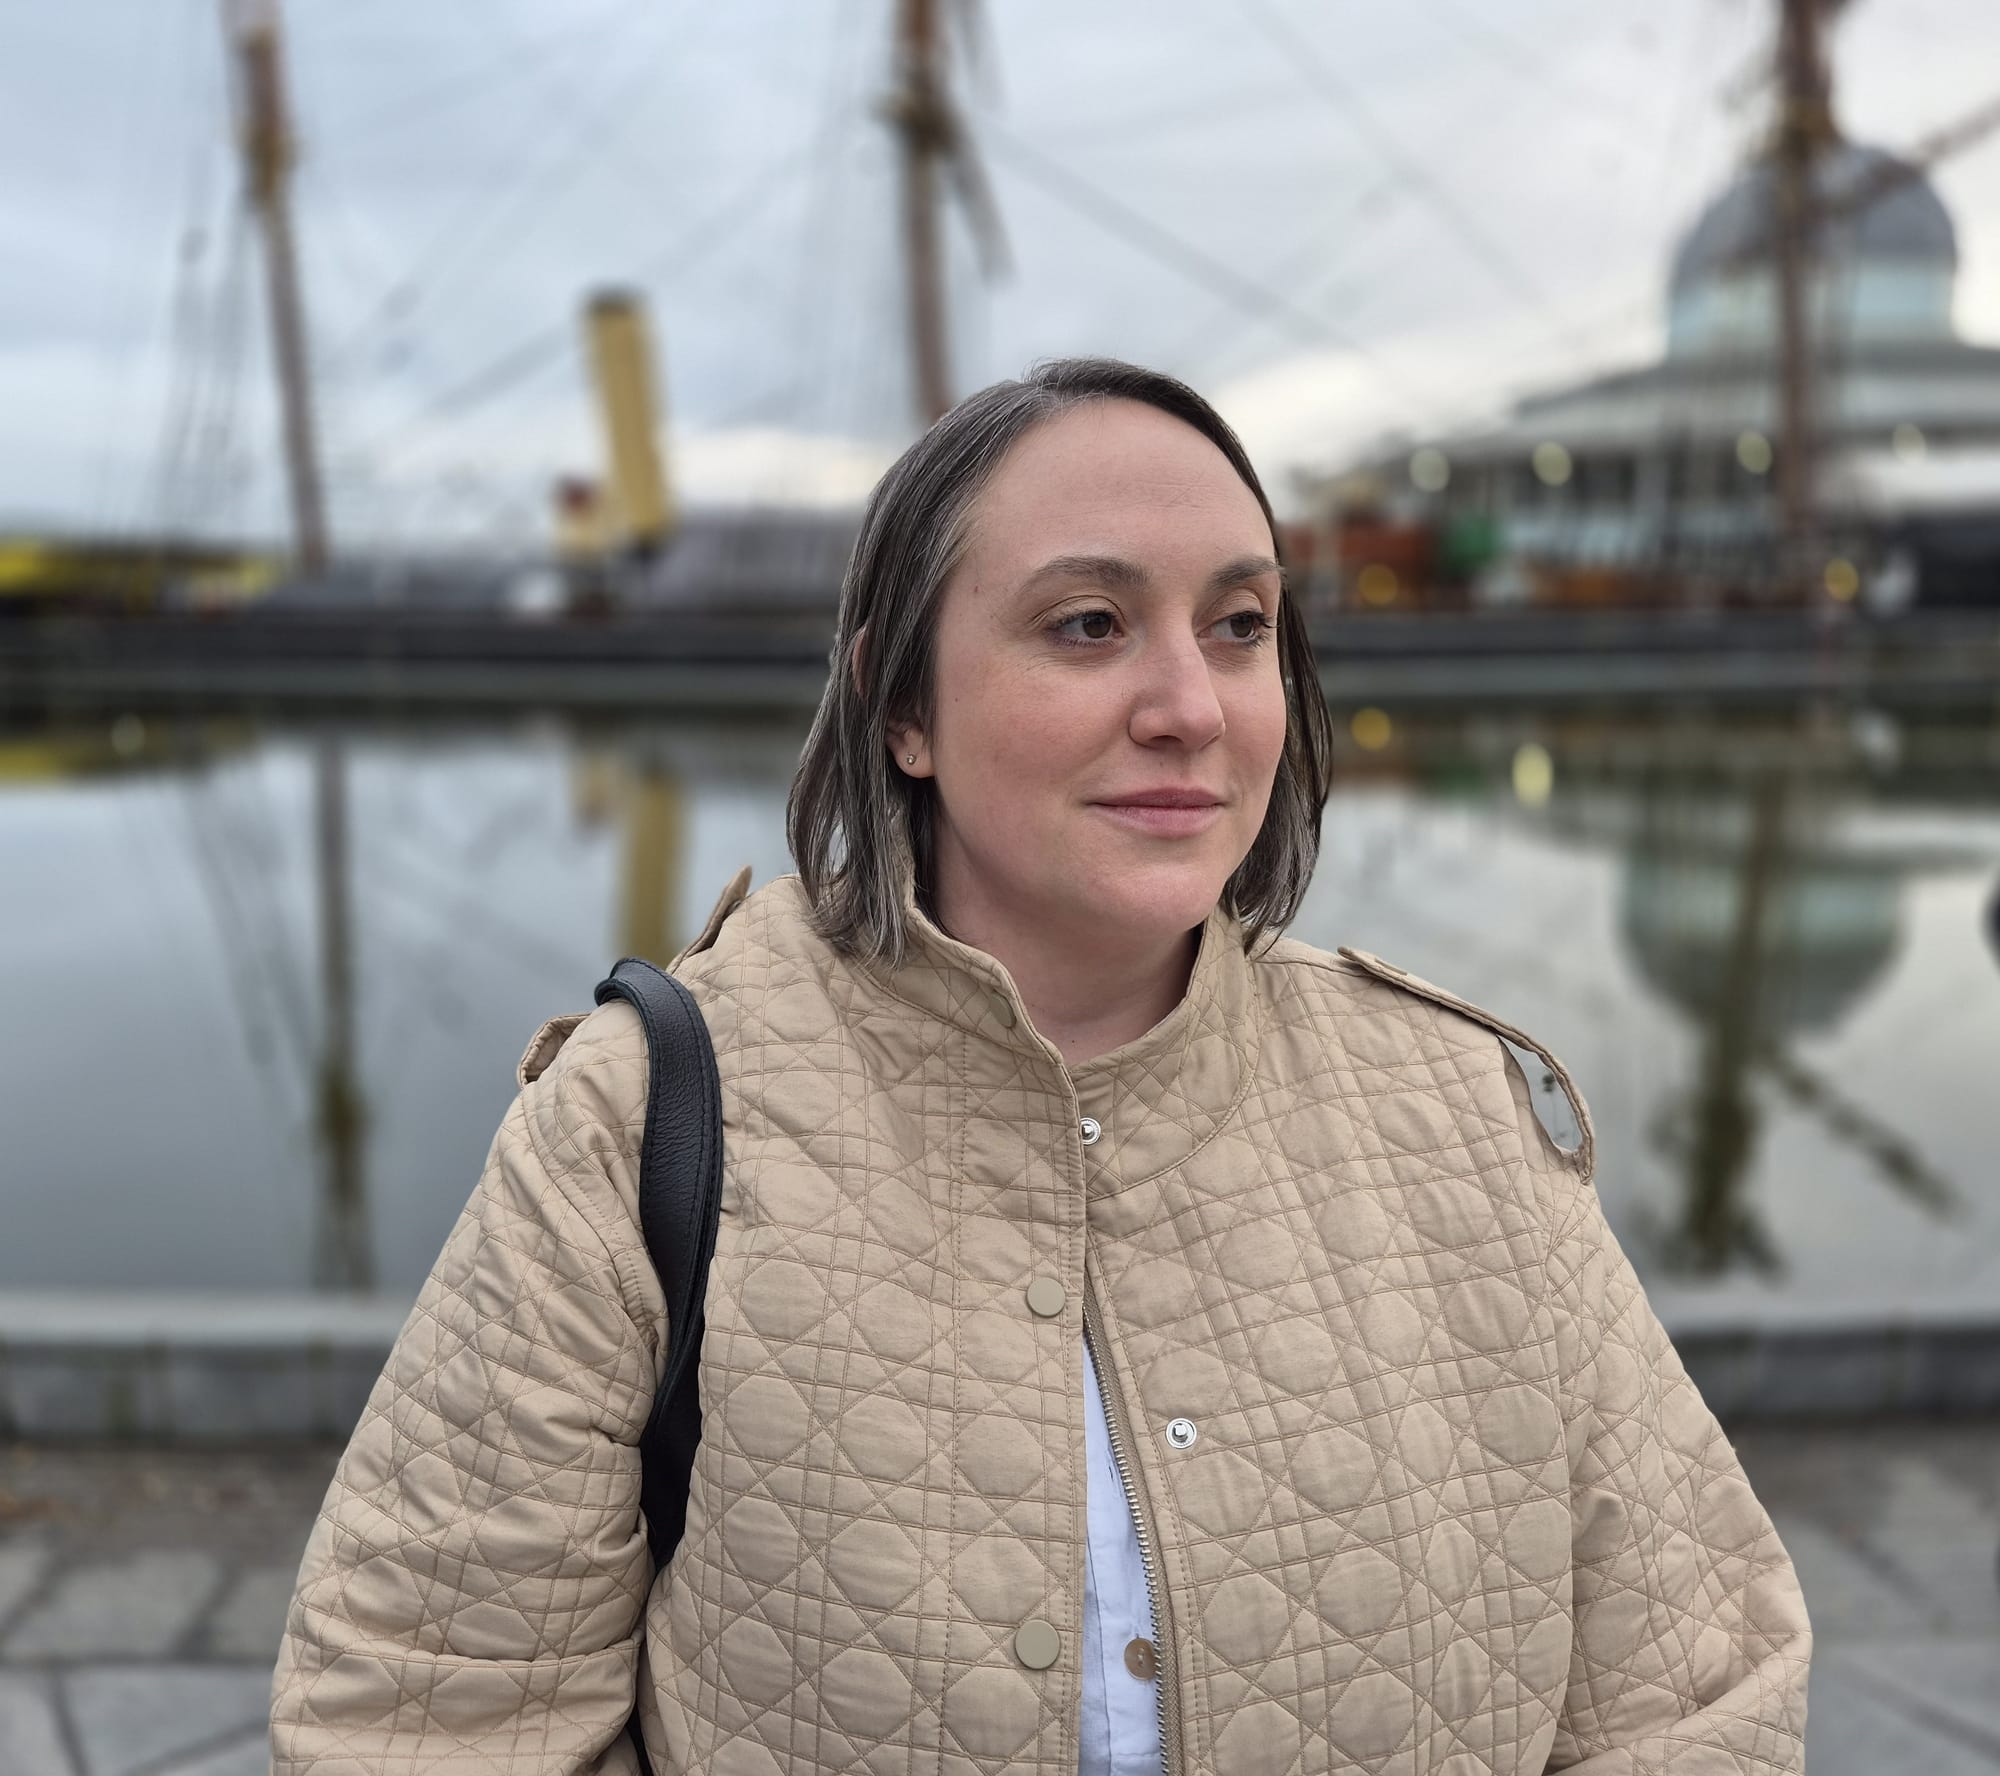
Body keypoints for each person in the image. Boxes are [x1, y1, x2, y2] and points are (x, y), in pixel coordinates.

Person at [271, 357, 1810, 1774]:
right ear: (902, 706)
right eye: (1089, 624)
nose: (1190, 709)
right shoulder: (638, 1125)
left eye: (1240, 625)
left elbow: (1701, 1695)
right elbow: (420, 1714)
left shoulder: (1458, 1116)